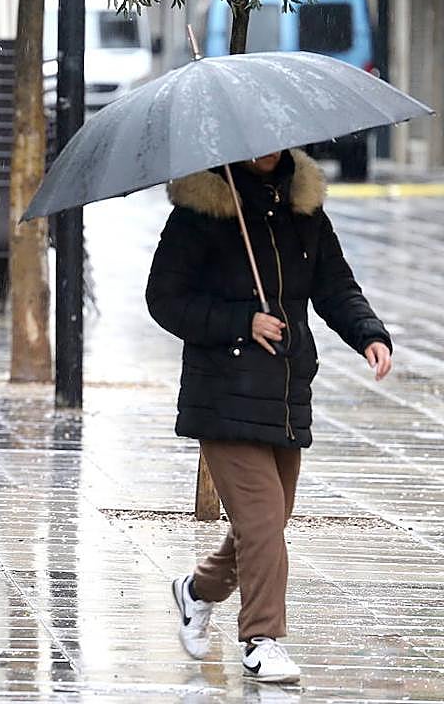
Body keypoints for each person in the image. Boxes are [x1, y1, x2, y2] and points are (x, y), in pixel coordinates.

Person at [146, 148, 393, 684]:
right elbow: (164, 299)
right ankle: (262, 640)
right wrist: (242, 322)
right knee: (261, 523)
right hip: (222, 392)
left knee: (267, 525)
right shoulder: (202, 211)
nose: (268, 149)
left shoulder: (303, 208)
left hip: (285, 388)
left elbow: (334, 285)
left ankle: (196, 590)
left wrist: (369, 334)